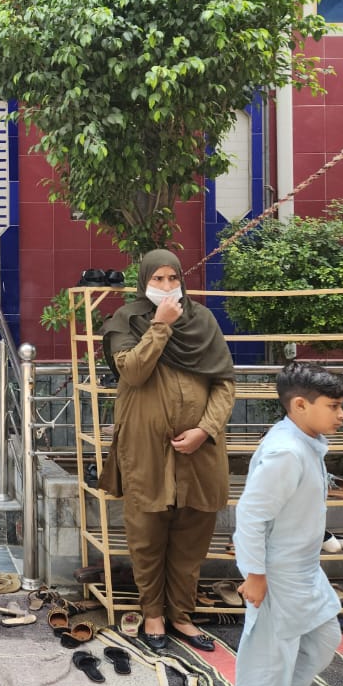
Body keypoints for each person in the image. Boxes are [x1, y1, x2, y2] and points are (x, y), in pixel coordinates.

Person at [98, 248, 236, 653]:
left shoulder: (203, 322)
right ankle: (153, 614)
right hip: (147, 451)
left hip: (200, 452)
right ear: (143, 281)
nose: (166, 286)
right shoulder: (126, 320)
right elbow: (134, 371)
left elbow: (224, 383)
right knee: (147, 536)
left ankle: (181, 615)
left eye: (172, 279)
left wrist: (205, 430)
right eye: (157, 279)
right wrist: (159, 326)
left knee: (192, 537)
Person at [232, 362, 343, 686]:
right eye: (334, 406)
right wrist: (255, 575)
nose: (342, 415)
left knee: (324, 640)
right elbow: (251, 515)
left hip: (305, 571)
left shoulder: (304, 441)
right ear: (299, 405)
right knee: (268, 667)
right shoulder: (287, 452)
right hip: (277, 575)